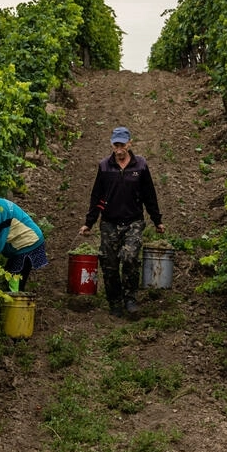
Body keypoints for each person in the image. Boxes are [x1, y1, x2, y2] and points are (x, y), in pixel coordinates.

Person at [78, 126, 165, 317]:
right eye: (115, 145)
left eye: (122, 145)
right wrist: (89, 222)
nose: (119, 149)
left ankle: (130, 298)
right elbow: (97, 196)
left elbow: (149, 195)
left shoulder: (140, 166)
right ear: (111, 144)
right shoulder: (104, 166)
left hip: (133, 221)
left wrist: (157, 220)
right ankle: (114, 301)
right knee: (109, 263)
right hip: (109, 222)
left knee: (130, 257)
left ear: (129, 144)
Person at [0, 196, 49, 291]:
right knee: (11, 278)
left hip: (28, 243)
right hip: (28, 240)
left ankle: (16, 304)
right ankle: (16, 302)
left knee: (13, 281)